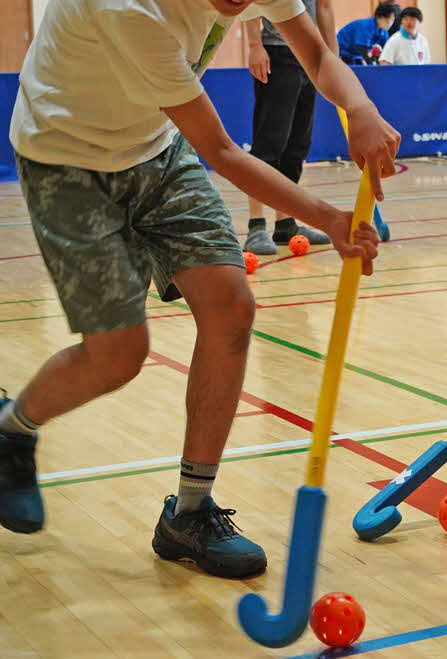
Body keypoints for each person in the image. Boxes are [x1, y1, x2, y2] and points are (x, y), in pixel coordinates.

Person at [1, 0, 399, 578]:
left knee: (232, 309)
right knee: (118, 354)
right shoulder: (129, 9)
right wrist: (329, 218)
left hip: (155, 148)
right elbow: (221, 150)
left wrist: (359, 106)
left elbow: (314, 53)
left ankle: (189, 513)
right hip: (64, 156)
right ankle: (11, 430)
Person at [244, 0, 338, 255]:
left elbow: (325, 8)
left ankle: (285, 222)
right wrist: (254, 45)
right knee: (269, 142)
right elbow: (249, 4)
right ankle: (256, 225)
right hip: (277, 51)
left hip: (311, 54)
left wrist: (332, 57)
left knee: (297, 146)